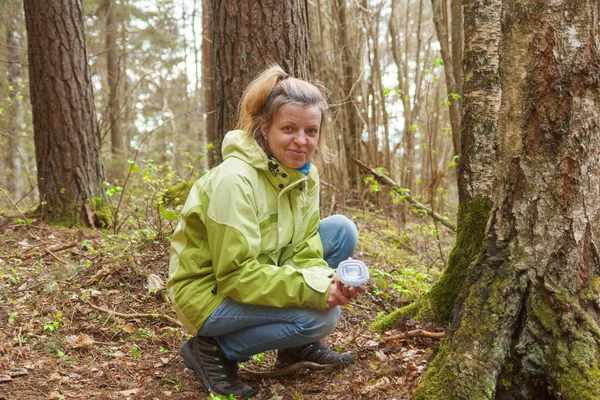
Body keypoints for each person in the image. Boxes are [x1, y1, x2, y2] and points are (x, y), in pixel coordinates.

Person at [167, 64, 366, 399]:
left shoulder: (305, 175)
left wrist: (327, 282)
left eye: (311, 131)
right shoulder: (235, 180)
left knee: (341, 231)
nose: (301, 142)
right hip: (208, 292)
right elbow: (236, 276)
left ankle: (294, 347)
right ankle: (215, 350)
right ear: (265, 127)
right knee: (321, 319)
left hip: (260, 267)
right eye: (289, 128)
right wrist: (318, 293)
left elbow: (304, 247)